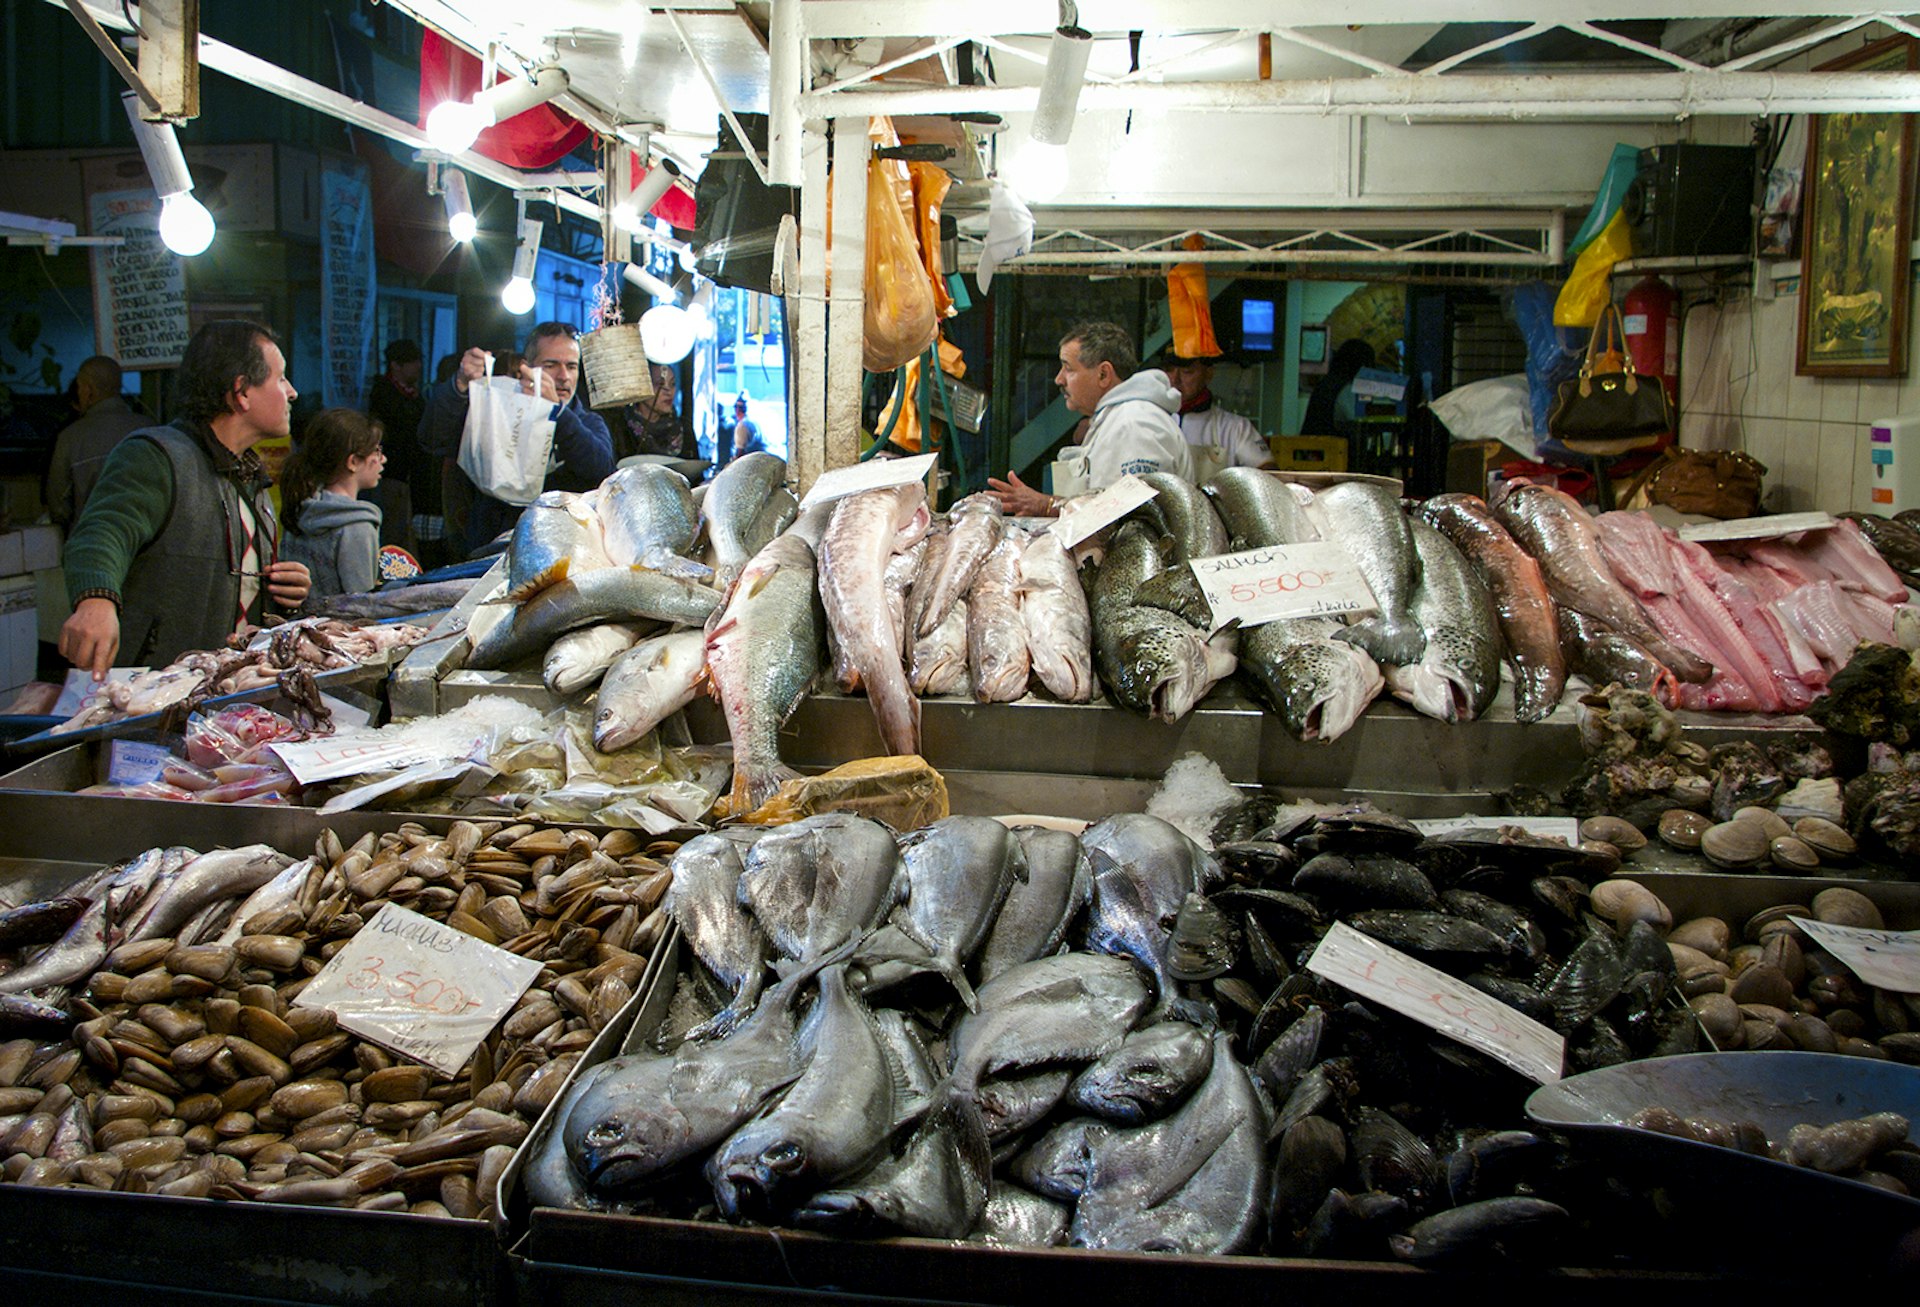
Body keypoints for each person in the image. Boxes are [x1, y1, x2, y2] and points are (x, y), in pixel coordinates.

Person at [59, 320, 311, 678]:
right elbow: (102, 531)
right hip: (152, 697)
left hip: (226, 696)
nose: (292, 392)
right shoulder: (155, 456)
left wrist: (286, 593)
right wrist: (95, 600)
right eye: (281, 378)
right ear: (241, 391)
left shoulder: (251, 480)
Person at [419, 323, 614, 552]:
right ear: (528, 368)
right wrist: (458, 386)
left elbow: (602, 470)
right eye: (551, 365)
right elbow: (432, 439)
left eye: (571, 367)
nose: (563, 377)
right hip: (495, 551)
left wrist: (558, 414)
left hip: (569, 550)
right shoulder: (499, 413)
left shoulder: (589, 422)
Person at [988, 320, 1193, 517]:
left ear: (1103, 374)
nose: (1059, 379)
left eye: (1068, 368)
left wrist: (1047, 505)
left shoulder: (1135, 424)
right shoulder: (1117, 419)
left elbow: (1135, 513)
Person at [279, 408, 386, 599]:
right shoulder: (357, 526)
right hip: (336, 628)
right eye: (377, 451)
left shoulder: (300, 509)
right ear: (352, 462)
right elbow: (362, 607)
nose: (383, 459)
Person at [46, 356, 146, 529]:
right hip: (145, 542)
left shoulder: (70, 438)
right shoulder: (150, 428)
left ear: (87, 390)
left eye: (78, 386)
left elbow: (59, 508)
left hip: (90, 543)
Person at [1160, 352, 1274, 470]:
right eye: (1169, 370)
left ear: (1208, 374)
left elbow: (1268, 472)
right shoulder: (1151, 420)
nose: (1175, 379)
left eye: (1187, 371)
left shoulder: (1236, 427)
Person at [618, 363, 696, 461]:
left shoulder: (684, 428)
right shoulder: (621, 427)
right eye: (660, 384)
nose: (668, 391)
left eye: (672, 384)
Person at [1303, 339, 1377, 441]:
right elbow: (1359, 421)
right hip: (1332, 451)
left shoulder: (1326, 383)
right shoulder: (1347, 390)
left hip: (1310, 450)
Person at [725, 394, 765, 463]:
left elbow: (740, 451)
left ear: (737, 410)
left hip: (751, 462)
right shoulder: (753, 422)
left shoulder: (741, 427)